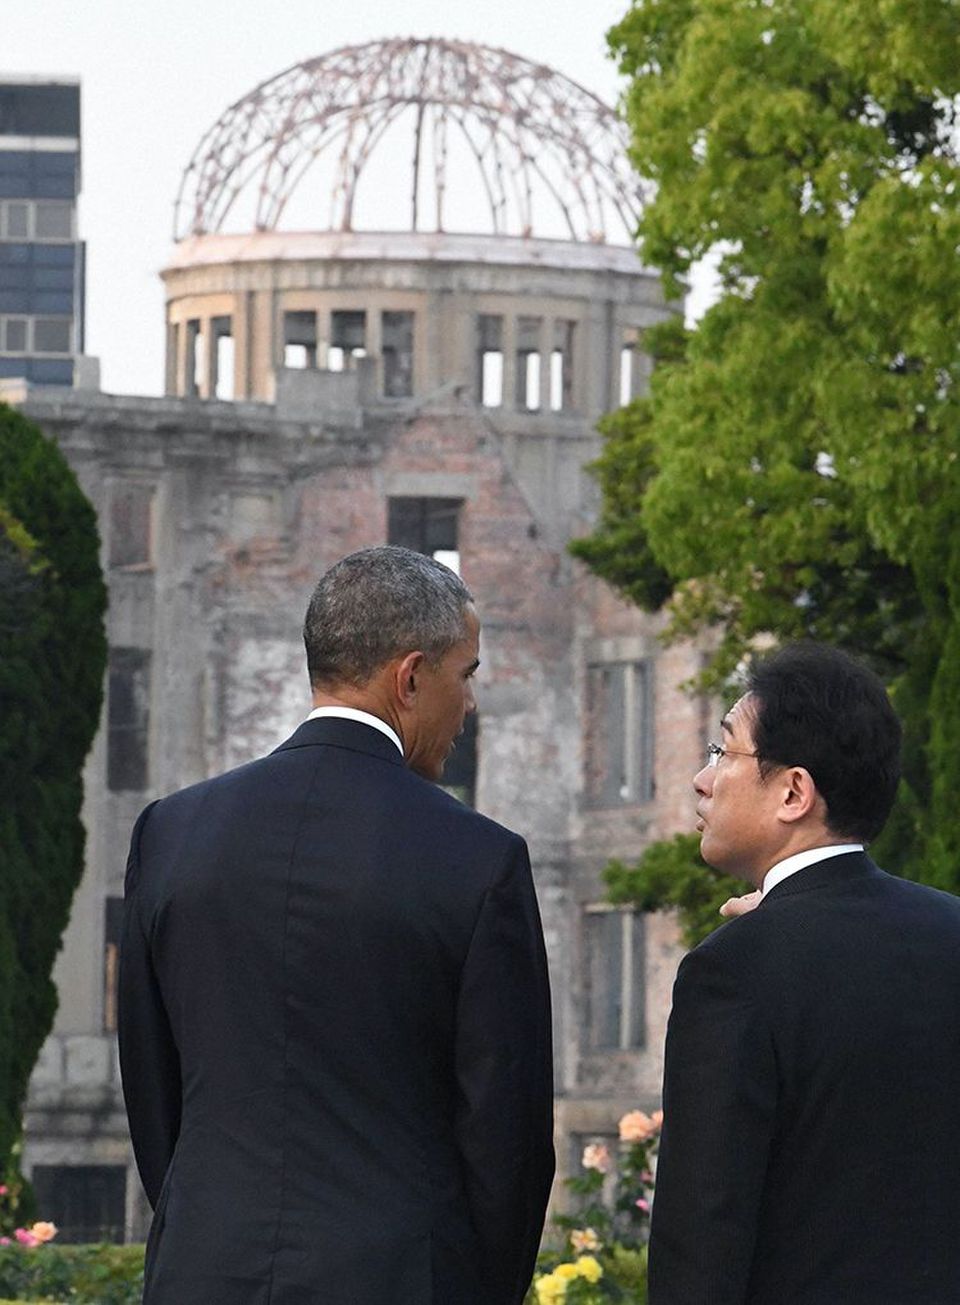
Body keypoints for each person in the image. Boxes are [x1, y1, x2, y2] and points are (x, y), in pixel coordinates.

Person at [119, 545, 554, 1305]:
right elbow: (506, 1140)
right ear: (411, 677)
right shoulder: (478, 859)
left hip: (203, 1268)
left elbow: (154, 1095)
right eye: (467, 674)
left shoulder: (171, 833)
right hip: (400, 1278)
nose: (470, 707)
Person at [648, 641, 960, 1304]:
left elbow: (701, 1235)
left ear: (794, 791)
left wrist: (774, 933)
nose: (702, 779)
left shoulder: (734, 968)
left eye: (722, 751)